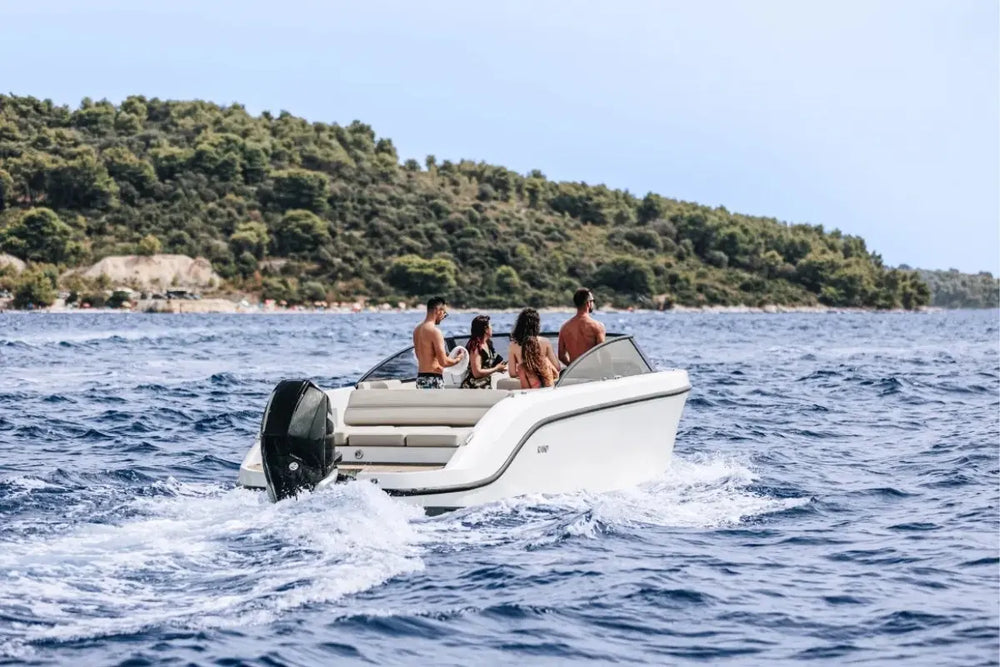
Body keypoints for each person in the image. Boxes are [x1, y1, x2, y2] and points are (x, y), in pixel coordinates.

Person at [413, 296, 465, 389]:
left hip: (420, 378)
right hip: (433, 380)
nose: (443, 317)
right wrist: (459, 358)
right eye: (444, 313)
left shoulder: (417, 330)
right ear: (438, 311)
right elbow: (444, 362)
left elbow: (420, 356)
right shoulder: (435, 331)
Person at [558, 288, 605, 366]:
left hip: (575, 373)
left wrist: (572, 367)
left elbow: (561, 356)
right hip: (593, 371)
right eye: (593, 301)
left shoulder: (565, 327)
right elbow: (603, 353)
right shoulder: (597, 326)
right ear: (588, 303)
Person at [509, 307, 560, 379]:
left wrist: (526, 373)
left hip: (525, 382)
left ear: (519, 325)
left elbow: (512, 373)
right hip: (544, 380)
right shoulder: (545, 342)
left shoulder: (513, 345)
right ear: (537, 325)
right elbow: (557, 367)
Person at [460, 315, 507, 389]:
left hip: (485, 386)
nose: (492, 328)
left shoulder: (488, 343)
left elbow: (485, 366)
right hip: (473, 388)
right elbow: (476, 373)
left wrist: (499, 367)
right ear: (486, 329)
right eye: (491, 326)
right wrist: (496, 369)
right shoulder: (475, 346)